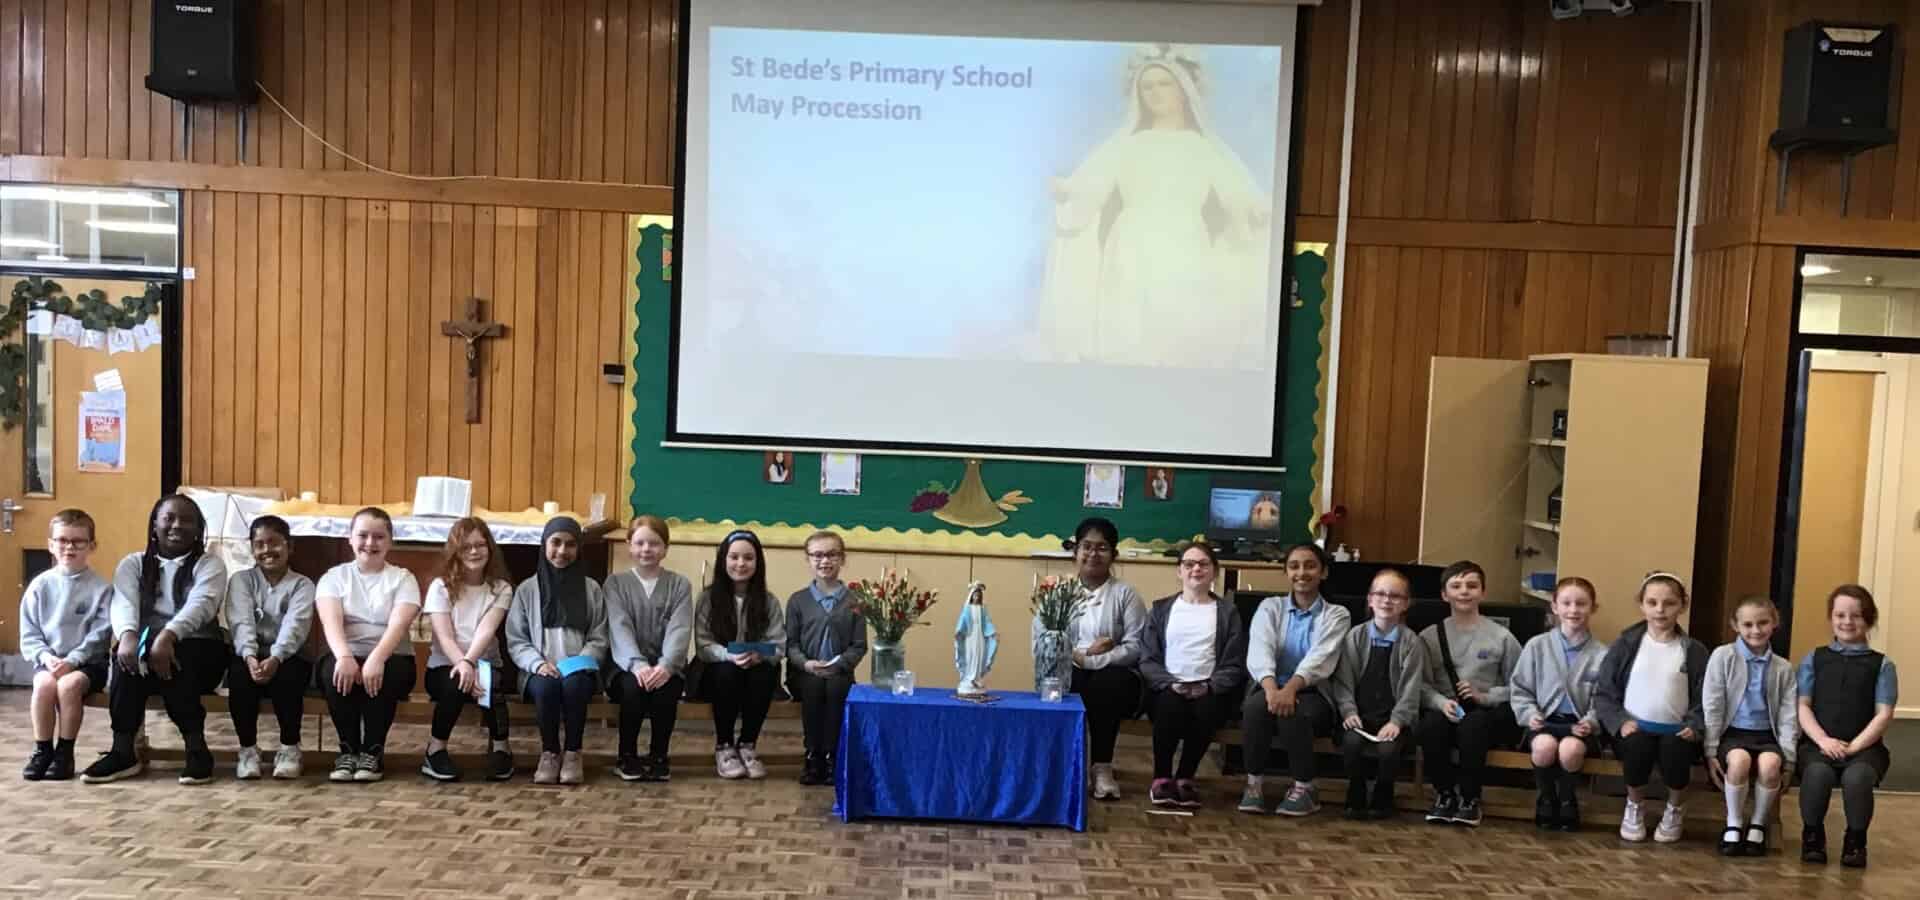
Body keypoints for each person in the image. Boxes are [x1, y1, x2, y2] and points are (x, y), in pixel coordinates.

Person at [1040, 43, 1271, 367]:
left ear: (1183, 90)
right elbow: (1090, 186)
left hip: (1184, 244)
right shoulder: (1126, 145)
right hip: (1130, 244)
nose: (1155, 93)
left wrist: (1253, 211)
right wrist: (1067, 192)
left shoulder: (1202, 147)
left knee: (1180, 326)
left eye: (1164, 84)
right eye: (1147, 87)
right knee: (1130, 331)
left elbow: (1237, 195)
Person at [84, 495, 231, 785]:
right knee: (125, 656)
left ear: (198, 529)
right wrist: (127, 635)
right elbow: (124, 602)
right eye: (168, 518)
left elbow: (201, 605)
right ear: (154, 525)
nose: (177, 525)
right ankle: (123, 751)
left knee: (178, 657)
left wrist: (168, 636)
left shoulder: (210, 565)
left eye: (186, 520)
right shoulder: (133, 564)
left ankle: (197, 749)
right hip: (146, 648)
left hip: (200, 648)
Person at [1594, 573, 1708, 844]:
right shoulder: (1625, 645)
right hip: (1634, 727)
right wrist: (1620, 721)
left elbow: (1706, 697)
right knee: (1637, 747)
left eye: (1669, 603)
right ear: (1641, 604)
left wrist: (1694, 725)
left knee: (1675, 751)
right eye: (1652, 602)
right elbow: (1605, 692)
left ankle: (1674, 809)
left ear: (1682, 605)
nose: (1660, 610)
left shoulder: (1694, 650)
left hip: (1677, 730)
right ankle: (1634, 806)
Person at [1239, 542, 1349, 816]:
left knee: (1294, 712)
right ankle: (1253, 784)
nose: (1302, 573)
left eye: (1310, 566)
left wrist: (1290, 689)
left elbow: (1321, 657)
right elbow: (1260, 649)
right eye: (1294, 566)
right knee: (1254, 708)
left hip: (1314, 692)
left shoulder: (1337, 614)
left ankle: (1305, 788)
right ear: (1286, 572)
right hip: (1269, 686)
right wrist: (1271, 689)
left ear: (1323, 572)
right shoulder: (1270, 607)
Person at [313, 506, 422, 784]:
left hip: (392, 655)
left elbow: (398, 626)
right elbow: (330, 622)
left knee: (386, 674)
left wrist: (376, 658)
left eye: (379, 537)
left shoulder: (403, 578)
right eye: (363, 535)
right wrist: (344, 656)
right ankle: (348, 751)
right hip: (346, 652)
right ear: (350, 538)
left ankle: (372, 752)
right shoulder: (334, 577)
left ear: (390, 541)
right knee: (334, 673)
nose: (370, 543)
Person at [1043, 517, 1145, 801]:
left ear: (1114, 555)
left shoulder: (1126, 594)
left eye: (1102, 548)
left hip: (1115, 675)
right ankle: (1062, 769)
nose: (1093, 554)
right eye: (1086, 546)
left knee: (1106, 684)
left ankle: (1102, 768)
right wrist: (1080, 654)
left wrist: (1091, 659)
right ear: (1075, 552)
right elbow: (1045, 640)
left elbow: (1136, 646)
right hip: (1070, 668)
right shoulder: (1058, 593)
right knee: (1060, 681)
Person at [1139, 540, 1247, 810]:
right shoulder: (1161, 609)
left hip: (1210, 689)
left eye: (1203, 564)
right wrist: (1169, 683)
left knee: (1207, 708)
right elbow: (1148, 658)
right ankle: (1162, 778)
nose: (1196, 569)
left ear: (1214, 572)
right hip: (1166, 687)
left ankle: (1186, 776)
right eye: (1189, 564)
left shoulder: (1228, 612)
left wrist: (1209, 686)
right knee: (1168, 705)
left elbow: (1234, 663)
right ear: (1179, 571)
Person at [1796, 584, 1897, 869]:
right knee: (1817, 774)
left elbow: (1884, 714)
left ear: (1869, 619)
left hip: (1865, 748)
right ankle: (1812, 837)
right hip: (1819, 744)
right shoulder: (1814, 659)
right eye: (1840, 615)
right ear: (1831, 617)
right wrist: (1823, 740)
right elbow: (1803, 706)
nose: (1847, 622)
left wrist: (1854, 747)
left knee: (1858, 778)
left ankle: (1855, 841)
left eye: (1856, 615)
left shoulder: (1882, 665)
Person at [1416, 560, 1522, 828]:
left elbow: (1521, 686)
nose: (1464, 591)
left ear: (1483, 592)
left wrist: (1484, 696)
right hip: (1445, 708)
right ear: (1444, 594)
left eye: (1472, 586)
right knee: (1431, 725)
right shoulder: (1429, 637)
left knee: (1474, 726)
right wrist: (1441, 703)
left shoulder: (1502, 637)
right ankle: (1444, 794)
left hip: (1486, 713)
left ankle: (1470, 798)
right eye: (1456, 586)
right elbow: (1421, 685)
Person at [506, 516, 609, 786]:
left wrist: (581, 661)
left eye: (570, 544)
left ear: (579, 549)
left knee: (575, 687)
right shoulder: (528, 589)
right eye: (556, 543)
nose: (562, 551)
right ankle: (550, 753)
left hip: (579, 668)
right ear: (544, 545)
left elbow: (599, 635)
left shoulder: (591, 589)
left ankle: (573, 752)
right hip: (538, 669)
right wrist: (538, 664)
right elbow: (517, 639)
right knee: (546, 688)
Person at [1324, 569, 1428, 820]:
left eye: (1395, 596)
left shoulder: (1412, 642)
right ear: (1370, 600)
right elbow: (1343, 681)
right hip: (1358, 716)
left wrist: (1397, 721)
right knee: (1351, 744)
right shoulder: (1355, 636)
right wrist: (1348, 711)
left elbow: (1411, 689)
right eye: (1380, 594)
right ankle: (1356, 789)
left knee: (1388, 751)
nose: (1386, 600)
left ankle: (1384, 792)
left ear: (1406, 603)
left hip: (1393, 719)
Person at [19, 509, 113, 782]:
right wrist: (45, 657)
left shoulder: (101, 589)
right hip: (50, 661)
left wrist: (73, 660)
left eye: (78, 541)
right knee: (44, 685)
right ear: (51, 544)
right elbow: (30, 633)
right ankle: (42, 750)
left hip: (88, 664)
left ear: (91, 546)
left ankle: (65, 752)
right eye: (62, 540)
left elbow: (100, 634)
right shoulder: (40, 586)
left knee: (68, 686)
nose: (69, 547)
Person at [1509, 577, 1608, 831]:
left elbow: (1605, 698)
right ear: (1554, 607)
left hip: (1579, 727)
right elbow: (1520, 689)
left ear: (1593, 608)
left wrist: (1591, 721)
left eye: (1581, 604)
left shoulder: (1602, 654)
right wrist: (1529, 714)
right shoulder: (1537, 646)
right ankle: (1546, 797)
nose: (1573, 610)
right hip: (1543, 722)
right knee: (1544, 747)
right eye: (1566, 603)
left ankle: (1567, 799)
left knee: (1570, 750)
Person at [420, 517, 515, 783]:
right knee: (456, 683)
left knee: (490, 682)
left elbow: (486, 630)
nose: (474, 551)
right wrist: (462, 666)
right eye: (466, 546)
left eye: (480, 545)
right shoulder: (440, 587)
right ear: (455, 551)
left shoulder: (501, 588)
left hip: (483, 662)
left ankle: (501, 748)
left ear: (490, 548)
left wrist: (470, 663)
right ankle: (435, 750)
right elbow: (444, 636)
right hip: (444, 665)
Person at [1703, 595, 1797, 857]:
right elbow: (1713, 704)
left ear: (1774, 623)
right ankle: (1733, 823)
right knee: (1739, 762)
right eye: (1747, 624)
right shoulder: (1723, 657)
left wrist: (1789, 758)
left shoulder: (1783, 668)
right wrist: (1710, 749)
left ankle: (1758, 824)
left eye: (1763, 623)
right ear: (1736, 625)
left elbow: (1788, 715)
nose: (1756, 630)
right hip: (1733, 734)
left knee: (1770, 765)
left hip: (1767, 736)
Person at [224, 515, 316, 781]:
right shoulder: (241, 580)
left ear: (290, 546)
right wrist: (250, 656)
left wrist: (276, 657)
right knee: (239, 676)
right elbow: (241, 620)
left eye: (274, 543)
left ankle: (289, 748)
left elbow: (295, 625)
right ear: (252, 549)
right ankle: (248, 750)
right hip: (249, 653)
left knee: (288, 677)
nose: (267, 550)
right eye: (259, 544)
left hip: (288, 654)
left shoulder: (302, 584)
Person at [604, 514, 694, 782]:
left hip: (667, 665)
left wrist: (666, 666)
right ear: (629, 545)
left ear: (665, 548)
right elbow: (619, 627)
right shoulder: (615, 584)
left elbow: (679, 629)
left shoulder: (679, 585)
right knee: (633, 688)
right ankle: (627, 756)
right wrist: (637, 665)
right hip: (625, 665)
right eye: (640, 543)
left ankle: (659, 756)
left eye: (654, 543)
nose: (646, 549)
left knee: (666, 690)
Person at [696, 529, 786, 780]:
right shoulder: (708, 598)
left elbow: (778, 645)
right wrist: (728, 655)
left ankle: (747, 744)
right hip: (717, 670)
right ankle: (724, 746)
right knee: (727, 672)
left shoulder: (768, 601)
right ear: (723, 560)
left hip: (755, 669)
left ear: (758, 562)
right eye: (734, 557)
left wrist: (760, 655)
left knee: (764, 672)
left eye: (748, 558)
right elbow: (703, 644)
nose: (741, 564)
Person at [785, 530, 867, 787]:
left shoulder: (856, 601)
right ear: (808, 559)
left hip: (839, 672)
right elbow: (791, 644)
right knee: (813, 687)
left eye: (832, 554)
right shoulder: (798, 600)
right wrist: (806, 664)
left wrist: (839, 664)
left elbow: (859, 646)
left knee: (835, 688)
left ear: (843, 558)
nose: (825, 561)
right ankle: (813, 755)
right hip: (805, 672)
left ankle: (833, 755)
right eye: (817, 555)